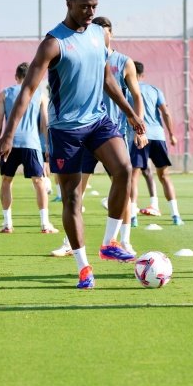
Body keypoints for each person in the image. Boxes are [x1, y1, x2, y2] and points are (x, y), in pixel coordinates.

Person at [0, 0, 146, 290]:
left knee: (124, 169)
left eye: (95, 6)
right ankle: (83, 267)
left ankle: (108, 243)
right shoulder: (53, 43)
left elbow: (108, 80)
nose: (91, 12)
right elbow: (27, 91)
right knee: (72, 198)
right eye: (85, 6)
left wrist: (130, 114)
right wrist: (8, 134)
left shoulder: (97, 37)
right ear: (69, 3)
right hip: (66, 130)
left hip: (99, 121)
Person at [50, 16, 146, 257]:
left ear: (110, 34)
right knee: (75, 192)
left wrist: (137, 122)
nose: (97, 35)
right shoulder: (83, 53)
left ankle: (122, 241)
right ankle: (69, 243)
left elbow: (136, 94)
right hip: (82, 131)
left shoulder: (124, 62)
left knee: (123, 182)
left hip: (111, 131)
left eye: (103, 32)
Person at [0, 63, 58, 234]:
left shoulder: (5, 93)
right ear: (31, 77)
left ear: (16, 76)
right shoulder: (40, 94)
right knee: (39, 182)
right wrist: (47, 152)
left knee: (6, 181)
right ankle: (45, 224)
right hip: (32, 144)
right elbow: (45, 124)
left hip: (9, 144)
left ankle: (7, 224)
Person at [129, 61, 184, 226]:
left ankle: (133, 217)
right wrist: (172, 134)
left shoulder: (127, 90)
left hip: (140, 136)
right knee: (164, 176)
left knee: (134, 177)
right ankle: (176, 216)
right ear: (143, 74)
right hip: (158, 136)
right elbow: (166, 113)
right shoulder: (155, 90)